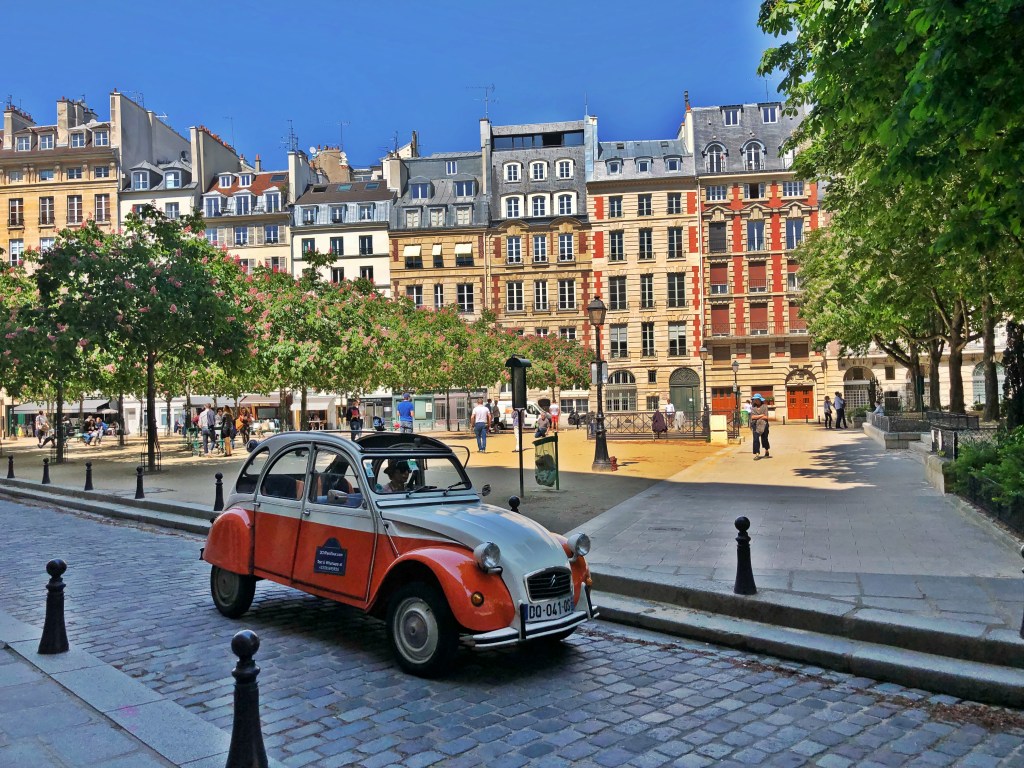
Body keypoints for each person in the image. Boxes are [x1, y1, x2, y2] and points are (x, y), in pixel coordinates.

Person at [750, 394, 770, 459]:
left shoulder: (765, 406)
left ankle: (766, 450)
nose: (756, 401)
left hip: (764, 425)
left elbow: (766, 417)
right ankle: (757, 454)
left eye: (757, 399)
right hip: (755, 425)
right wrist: (761, 415)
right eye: (755, 399)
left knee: (764, 439)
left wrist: (757, 417)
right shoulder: (753, 407)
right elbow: (752, 417)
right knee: (755, 439)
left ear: (760, 400)